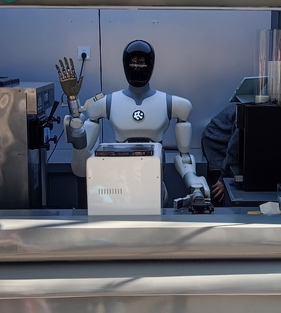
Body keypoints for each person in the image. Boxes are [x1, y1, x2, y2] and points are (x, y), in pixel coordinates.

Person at [58, 40, 212, 211]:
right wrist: (78, 139)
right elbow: (81, 169)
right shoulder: (104, 104)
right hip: (117, 190)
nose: (137, 68)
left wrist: (193, 181)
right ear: (125, 64)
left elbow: (184, 158)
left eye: (142, 63)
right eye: (133, 63)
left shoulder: (174, 105)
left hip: (155, 189)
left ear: (151, 65)